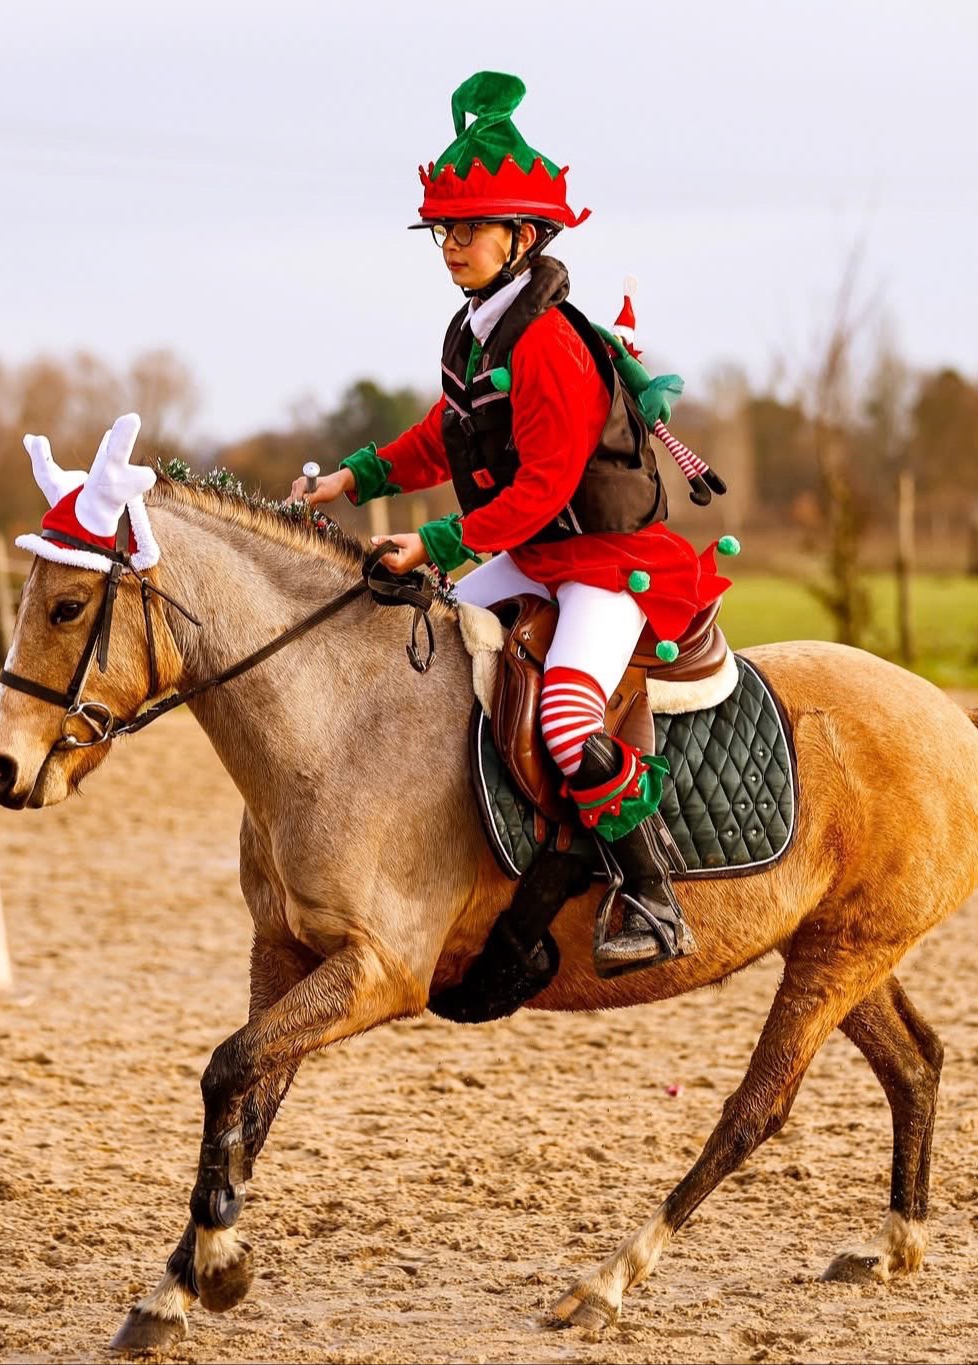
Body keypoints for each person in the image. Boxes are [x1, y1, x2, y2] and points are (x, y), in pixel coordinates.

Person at [291, 71, 731, 976]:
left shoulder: (550, 346)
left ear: (521, 237)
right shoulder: (475, 332)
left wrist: (439, 543)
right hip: (538, 552)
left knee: (569, 717)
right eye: (443, 231)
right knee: (417, 629)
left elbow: (540, 486)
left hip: (607, 563)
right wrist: (354, 475)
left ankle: (650, 894)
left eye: (467, 230)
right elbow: (440, 439)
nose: (450, 246)